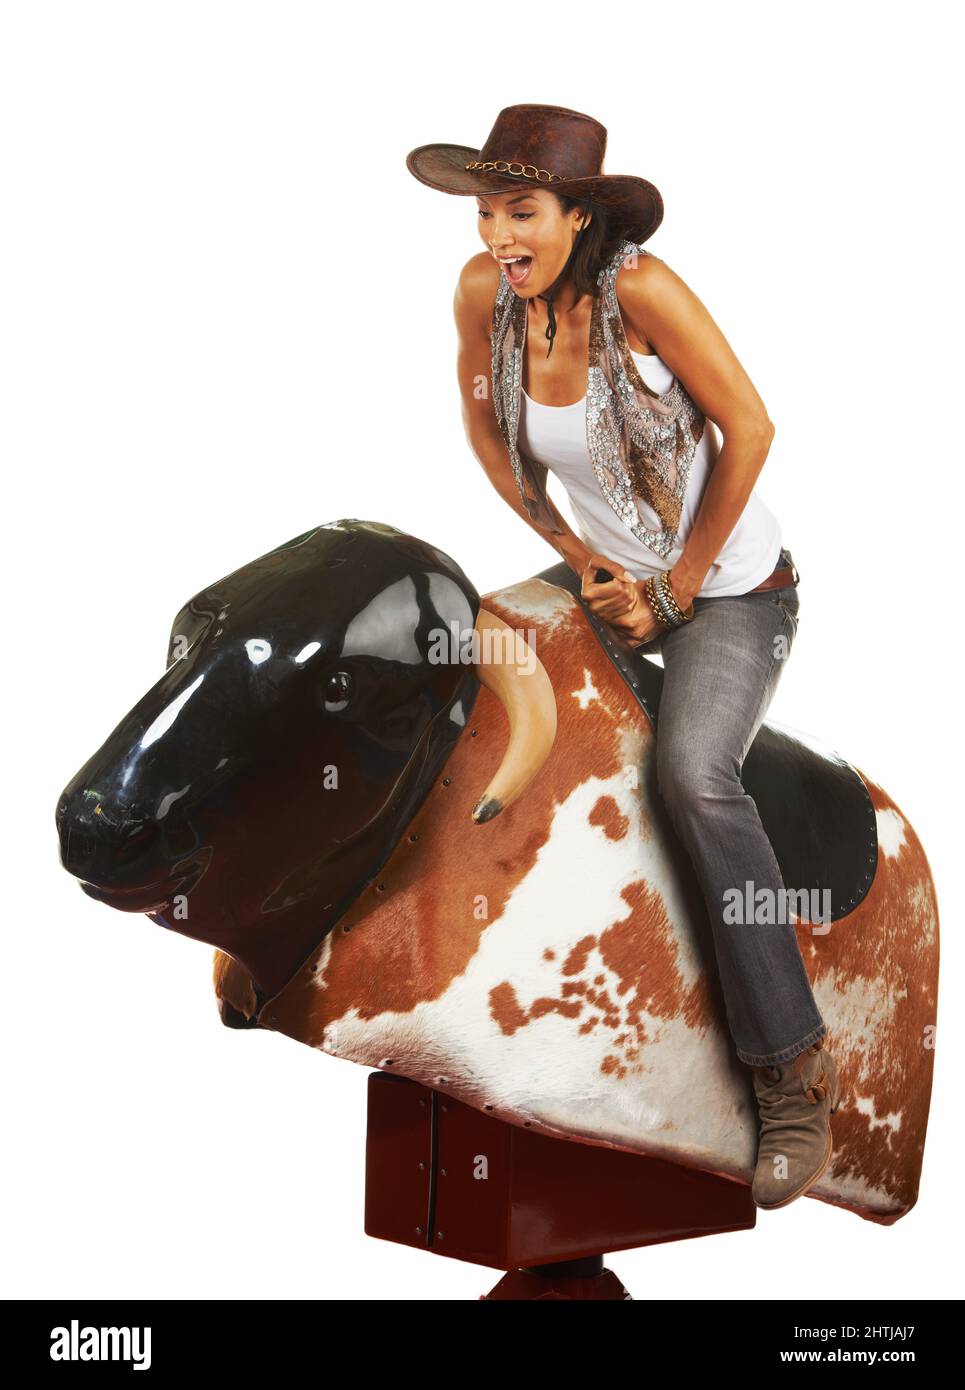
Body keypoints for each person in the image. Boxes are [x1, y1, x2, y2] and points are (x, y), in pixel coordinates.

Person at [406, 103, 840, 1209]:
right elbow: (489, 435)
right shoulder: (482, 298)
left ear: (574, 214)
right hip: (608, 578)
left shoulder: (640, 293)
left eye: (520, 212)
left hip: (731, 592)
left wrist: (675, 585)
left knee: (692, 777)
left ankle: (789, 1071)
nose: (497, 235)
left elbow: (750, 426)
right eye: (484, 214)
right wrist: (568, 552)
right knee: (458, 654)